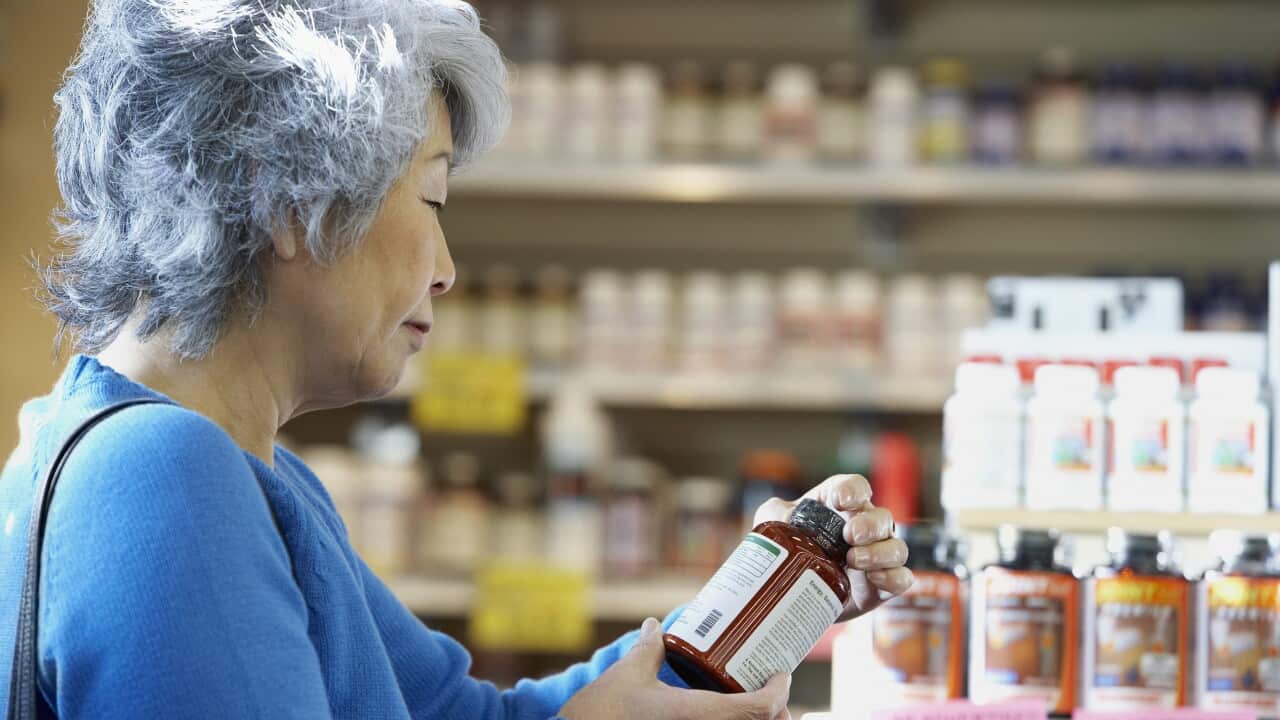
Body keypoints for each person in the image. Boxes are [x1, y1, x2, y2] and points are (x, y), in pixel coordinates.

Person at [0, 1, 913, 718]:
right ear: (282, 197)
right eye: (432, 199)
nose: (446, 271)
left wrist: (759, 600)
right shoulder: (163, 479)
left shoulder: (241, 472)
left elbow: (467, 716)